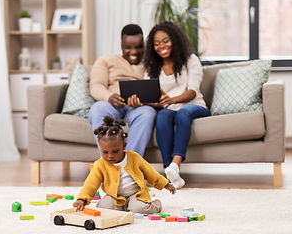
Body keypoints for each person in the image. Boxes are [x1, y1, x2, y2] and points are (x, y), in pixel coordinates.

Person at [129, 21, 210, 189]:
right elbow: (153, 97)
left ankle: (175, 165)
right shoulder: (153, 66)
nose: (161, 46)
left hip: (194, 106)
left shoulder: (191, 60)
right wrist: (141, 101)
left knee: (182, 113)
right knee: (163, 115)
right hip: (168, 109)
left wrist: (172, 99)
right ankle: (170, 173)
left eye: (165, 41)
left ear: (175, 39)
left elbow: (192, 92)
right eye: (156, 43)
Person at [73, 116, 176, 214]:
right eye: (105, 152)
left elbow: (150, 173)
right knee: (104, 209)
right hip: (114, 196)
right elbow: (90, 184)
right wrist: (82, 199)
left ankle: (156, 205)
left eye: (115, 151)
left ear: (124, 146)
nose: (110, 156)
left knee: (139, 209)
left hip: (136, 194)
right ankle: (123, 206)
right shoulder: (99, 165)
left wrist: (165, 184)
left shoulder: (134, 158)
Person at [89, 24, 157, 157]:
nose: (134, 52)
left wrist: (143, 101)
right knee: (97, 109)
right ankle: (110, 162)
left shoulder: (151, 64)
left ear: (144, 45)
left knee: (148, 113)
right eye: (128, 47)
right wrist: (109, 97)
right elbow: (96, 85)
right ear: (121, 45)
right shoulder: (106, 60)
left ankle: (128, 166)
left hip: (138, 108)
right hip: (112, 105)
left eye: (138, 47)